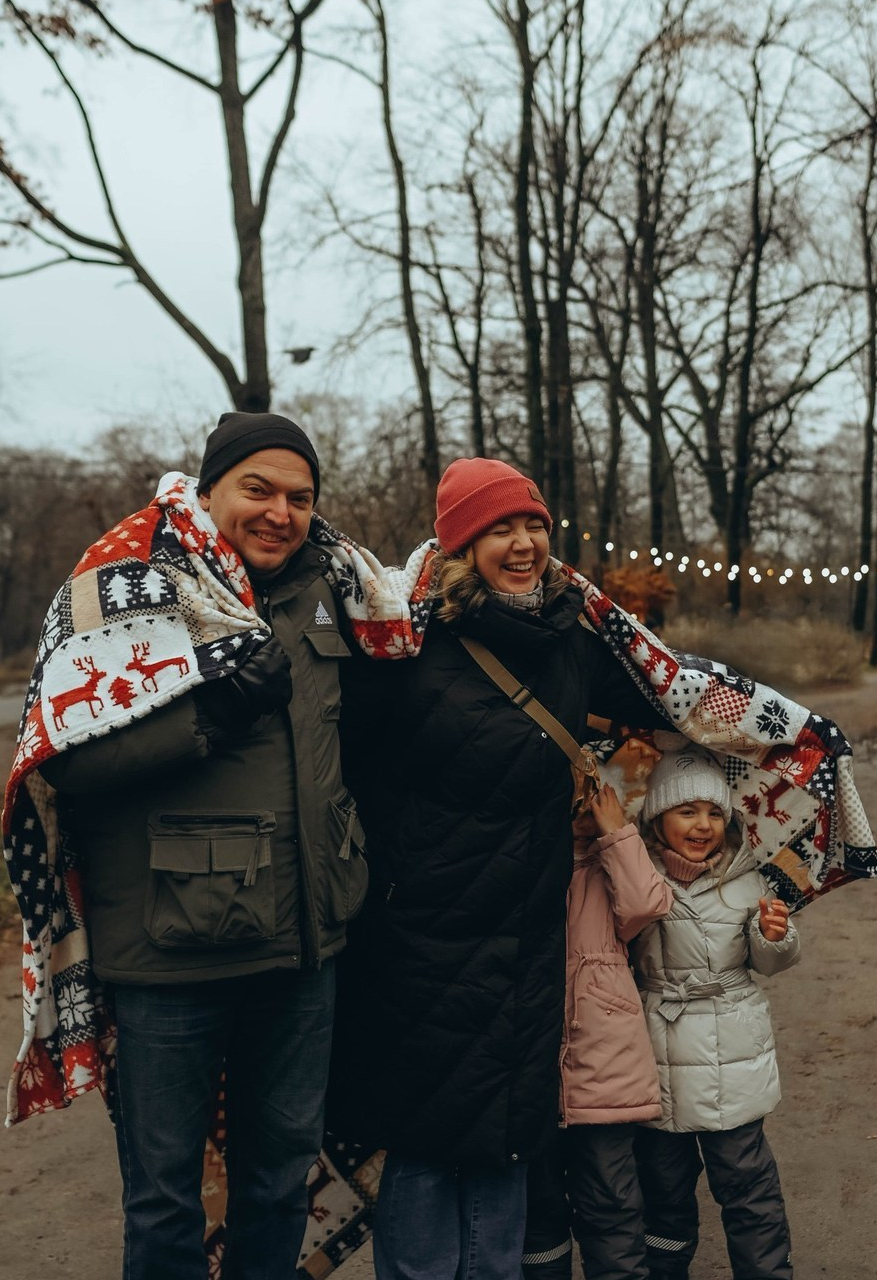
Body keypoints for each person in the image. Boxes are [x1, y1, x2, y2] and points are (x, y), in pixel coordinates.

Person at [31, 412, 369, 1280]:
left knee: (278, 1181)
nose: (279, 512)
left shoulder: (333, 590)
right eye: (257, 489)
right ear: (208, 488)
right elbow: (66, 758)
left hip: (302, 951)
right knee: (165, 1196)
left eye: (299, 496)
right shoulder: (127, 585)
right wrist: (209, 716)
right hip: (170, 960)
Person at [330, 456, 667, 1280]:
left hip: (529, 933)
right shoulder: (409, 645)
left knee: (510, 1132)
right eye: (498, 530)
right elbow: (338, 765)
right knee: (426, 1136)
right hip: (422, 939)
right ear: (460, 546)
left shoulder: (573, 638)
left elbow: (672, 696)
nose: (521, 544)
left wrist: (790, 730)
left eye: (532, 526)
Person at [630, 744, 801, 1280]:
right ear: (657, 817)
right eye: (686, 811)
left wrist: (774, 935)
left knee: (747, 1184)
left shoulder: (747, 877)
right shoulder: (633, 873)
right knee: (662, 1188)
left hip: (733, 1053)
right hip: (657, 1051)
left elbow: (770, 959)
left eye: (713, 812)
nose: (702, 824)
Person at [521, 781, 673, 1280]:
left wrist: (614, 833)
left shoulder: (611, 863)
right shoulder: (529, 855)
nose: (582, 811)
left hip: (603, 1073)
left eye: (591, 800)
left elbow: (646, 905)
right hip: (535, 1066)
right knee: (538, 1211)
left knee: (612, 1202)